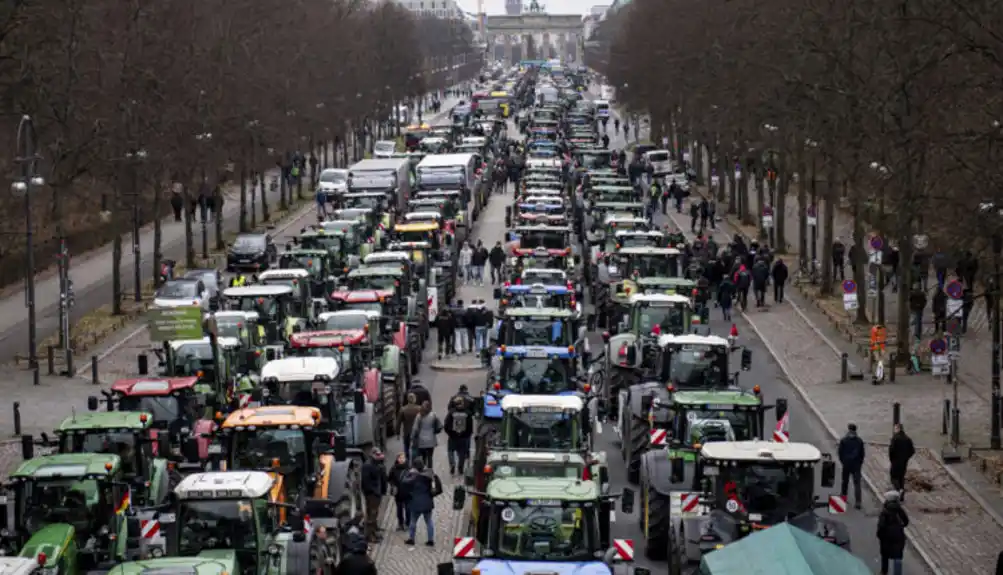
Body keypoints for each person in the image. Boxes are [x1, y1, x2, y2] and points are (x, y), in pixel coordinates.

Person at [403, 457, 440, 547]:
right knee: (429, 521)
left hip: (416, 503)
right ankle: (430, 540)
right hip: (427, 502)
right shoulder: (429, 474)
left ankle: (411, 539)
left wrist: (410, 473)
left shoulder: (414, 476)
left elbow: (404, 482)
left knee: (413, 521)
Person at [876, 491, 909, 575]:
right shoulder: (899, 510)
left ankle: (884, 572)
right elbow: (906, 521)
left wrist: (880, 535)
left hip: (886, 537)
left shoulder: (885, 511)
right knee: (898, 556)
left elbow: (881, 525)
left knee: (885, 555)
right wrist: (900, 527)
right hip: (898, 535)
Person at [360, 449, 387, 543]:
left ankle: (374, 531)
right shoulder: (368, 466)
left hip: (376, 493)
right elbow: (366, 482)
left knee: (374, 513)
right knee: (372, 514)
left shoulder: (377, 464)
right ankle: (370, 536)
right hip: (372, 494)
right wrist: (373, 491)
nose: (380, 457)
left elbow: (381, 478)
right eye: (378, 455)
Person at [444, 396, 474, 475]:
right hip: (463, 437)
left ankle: (452, 464)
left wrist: (450, 433)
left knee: (450, 451)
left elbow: (446, 425)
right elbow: (470, 427)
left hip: (453, 436)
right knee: (462, 453)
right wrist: (467, 435)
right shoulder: (468, 413)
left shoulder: (451, 413)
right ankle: (460, 467)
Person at [838, 423, 865, 510]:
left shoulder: (844, 440)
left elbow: (840, 453)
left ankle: (843, 497)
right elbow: (862, 454)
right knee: (857, 484)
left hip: (846, 464)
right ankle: (858, 502)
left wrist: (843, 461)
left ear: (849, 430)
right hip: (856, 465)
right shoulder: (859, 441)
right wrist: (859, 463)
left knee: (844, 481)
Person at [888, 424, 915, 501]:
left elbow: (891, 450)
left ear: (898, 429)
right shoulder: (908, 439)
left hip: (896, 461)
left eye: (895, 429)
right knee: (901, 478)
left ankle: (899, 490)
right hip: (904, 462)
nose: (894, 430)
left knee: (893, 477)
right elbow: (912, 451)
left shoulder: (895, 438)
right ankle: (901, 495)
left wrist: (892, 459)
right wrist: (906, 457)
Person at [388, 452, 411, 531]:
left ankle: (408, 523)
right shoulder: (394, 468)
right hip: (398, 493)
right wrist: (392, 485)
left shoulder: (409, 468)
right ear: (397, 459)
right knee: (399, 510)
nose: (402, 459)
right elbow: (389, 478)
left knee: (408, 509)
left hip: (407, 492)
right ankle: (400, 523)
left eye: (403, 458)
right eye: (400, 458)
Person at [398, 393, 422, 461]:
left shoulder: (403, 409)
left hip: (407, 432)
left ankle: (407, 459)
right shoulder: (419, 409)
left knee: (406, 446)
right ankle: (415, 461)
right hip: (417, 432)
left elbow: (398, 422)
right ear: (415, 399)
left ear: (407, 400)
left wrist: (397, 432)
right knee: (415, 447)